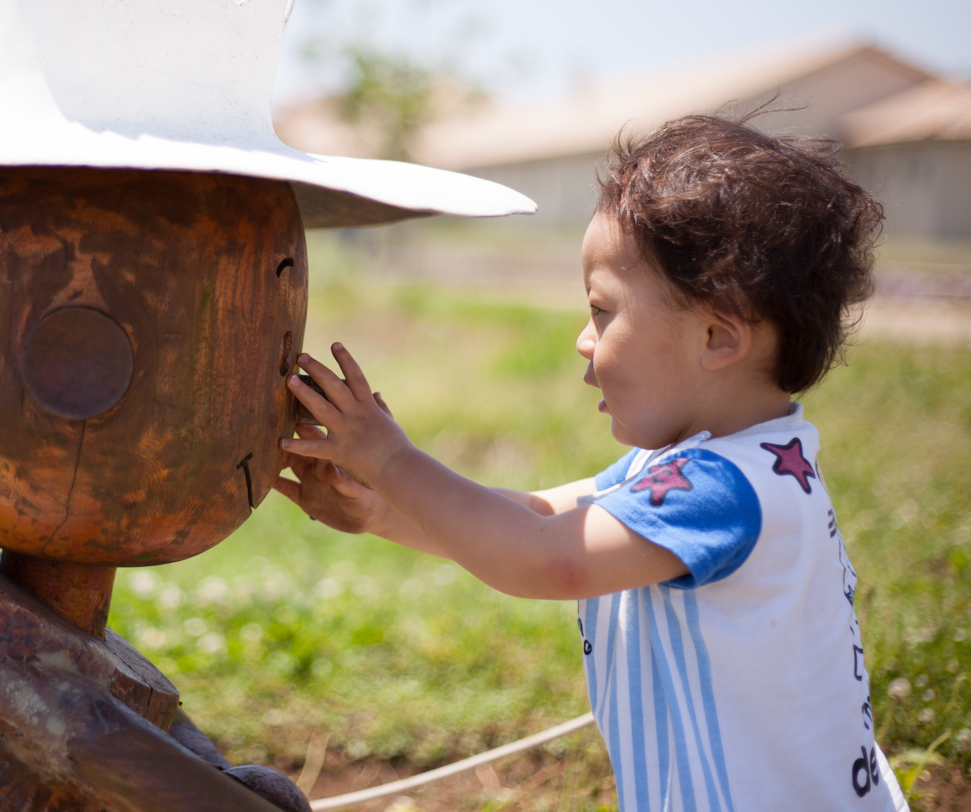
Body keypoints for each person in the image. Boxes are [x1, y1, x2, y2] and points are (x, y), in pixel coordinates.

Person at [273, 113, 908, 811]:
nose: (583, 339)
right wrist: (385, 508)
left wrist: (392, 459)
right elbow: (542, 516)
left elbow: (552, 558)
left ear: (717, 336)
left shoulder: (732, 487)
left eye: (603, 311)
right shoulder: (695, 466)